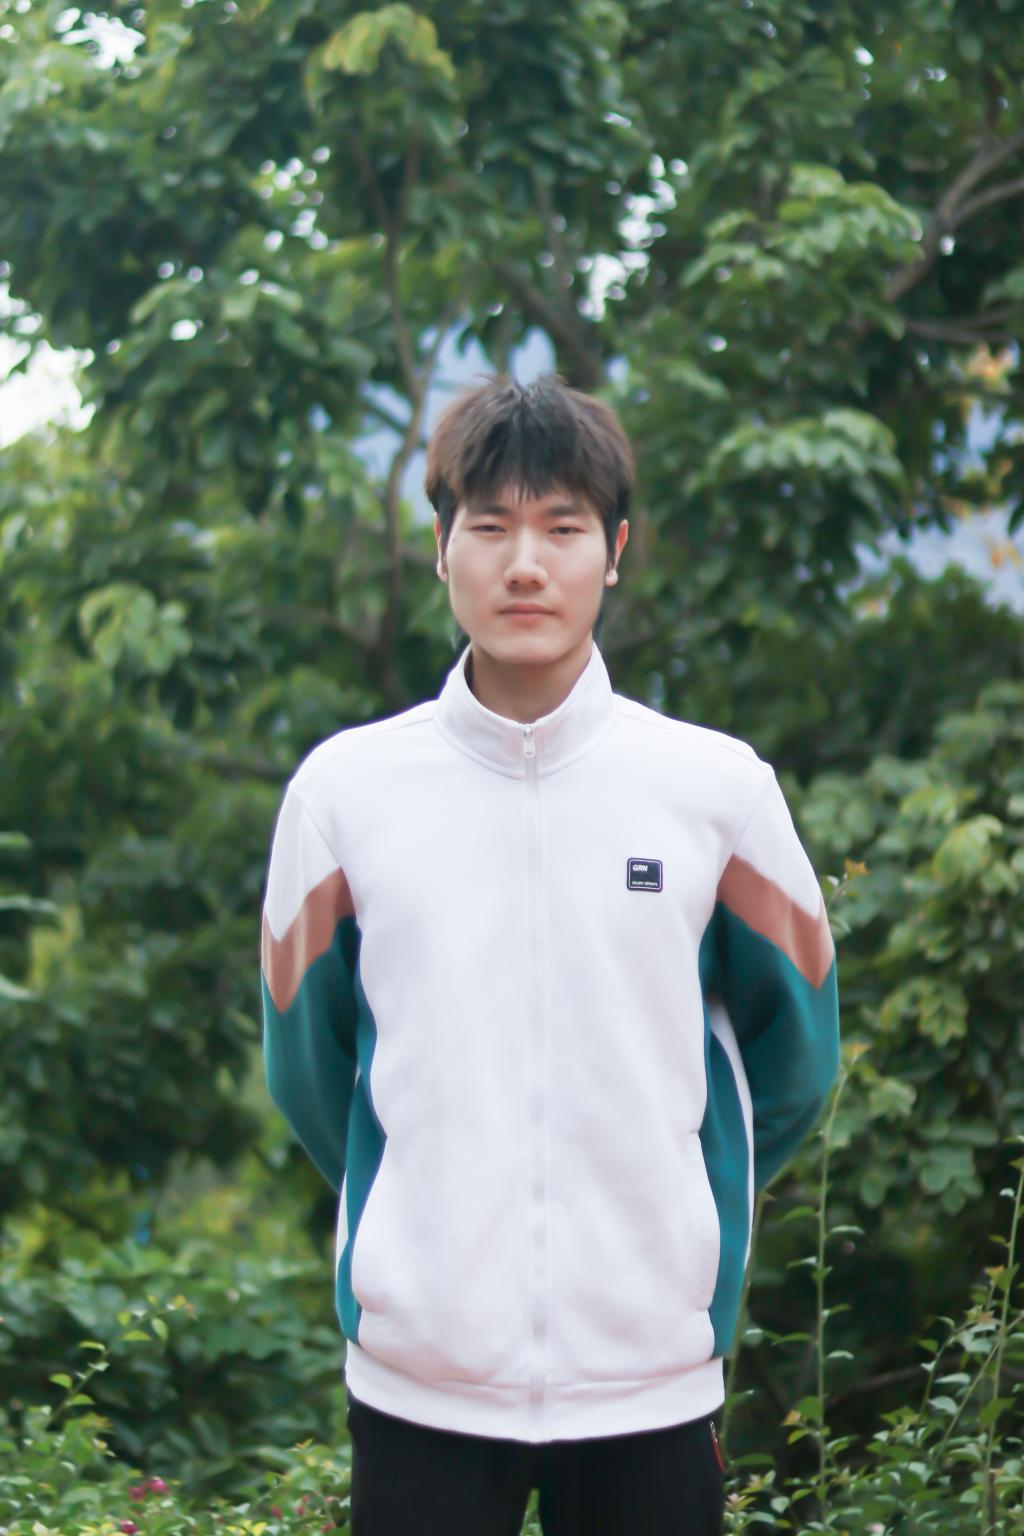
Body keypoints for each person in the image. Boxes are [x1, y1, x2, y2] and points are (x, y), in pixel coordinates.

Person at [259, 372, 840, 1536]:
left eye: (562, 529)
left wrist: (682, 1210)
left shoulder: (716, 792)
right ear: (441, 547)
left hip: (650, 1382)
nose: (525, 565)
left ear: (613, 551)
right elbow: (311, 1074)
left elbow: (796, 1060)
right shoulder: (342, 796)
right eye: (490, 527)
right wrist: (417, 1214)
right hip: (420, 1384)